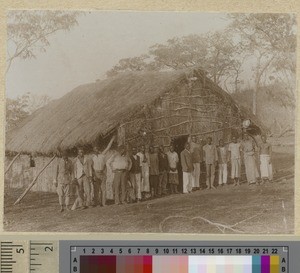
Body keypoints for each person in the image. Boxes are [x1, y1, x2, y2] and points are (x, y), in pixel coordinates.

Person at [91, 136, 115, 207]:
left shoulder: (102, 155)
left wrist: (112, 139)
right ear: (93, 149)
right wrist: (93, 175)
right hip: (96, 173)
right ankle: (96, 203)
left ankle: (103, 203)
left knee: (103, 189)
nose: (97, 149)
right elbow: (91, 167)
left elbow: (108, 147)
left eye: (97, 148)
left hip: (102, 173)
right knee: (96, 189)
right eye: (95, 148)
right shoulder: (91, 157)